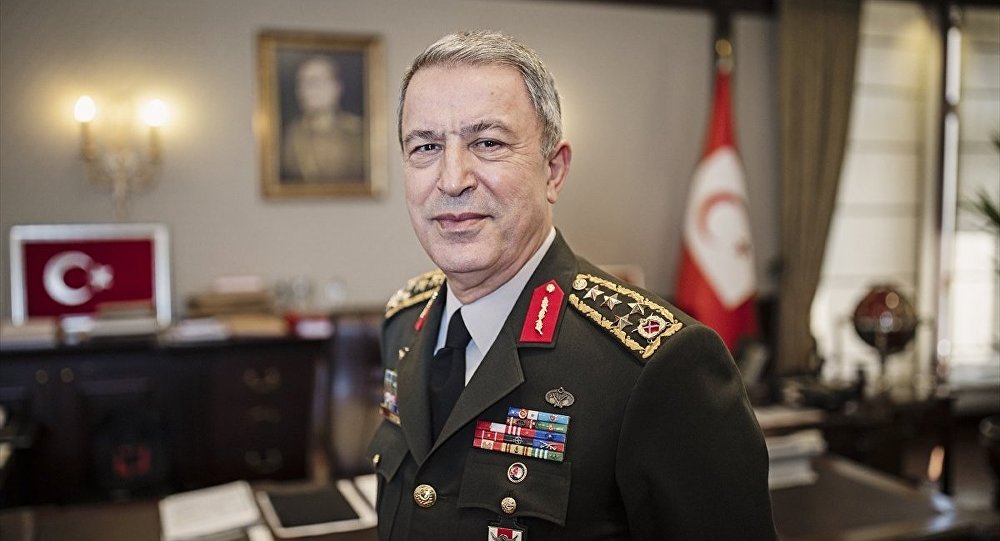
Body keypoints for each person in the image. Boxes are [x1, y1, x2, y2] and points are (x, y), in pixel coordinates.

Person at [367, 30, 776, 540]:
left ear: (554, 171)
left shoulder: (659, 364)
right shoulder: (405, 321)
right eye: (425, 147)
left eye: (488, 143)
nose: (451, 179)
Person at [281, 55, 365, 182]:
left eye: (316, 81)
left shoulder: (358, 132)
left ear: (337, 87)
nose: (307, 90)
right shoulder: (291, 134)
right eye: (302, 83)